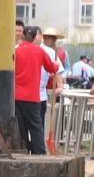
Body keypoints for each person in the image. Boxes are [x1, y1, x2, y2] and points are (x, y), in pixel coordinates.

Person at [12, 22, 59, 156]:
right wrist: (55, 64)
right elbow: (52, 68)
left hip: (17, 96)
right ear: (34, 37)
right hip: (32, 96)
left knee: (21, 126)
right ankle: (39, 153)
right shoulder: (39, 51)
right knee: (36, 127)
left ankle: (24, 150)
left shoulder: (16, 50)